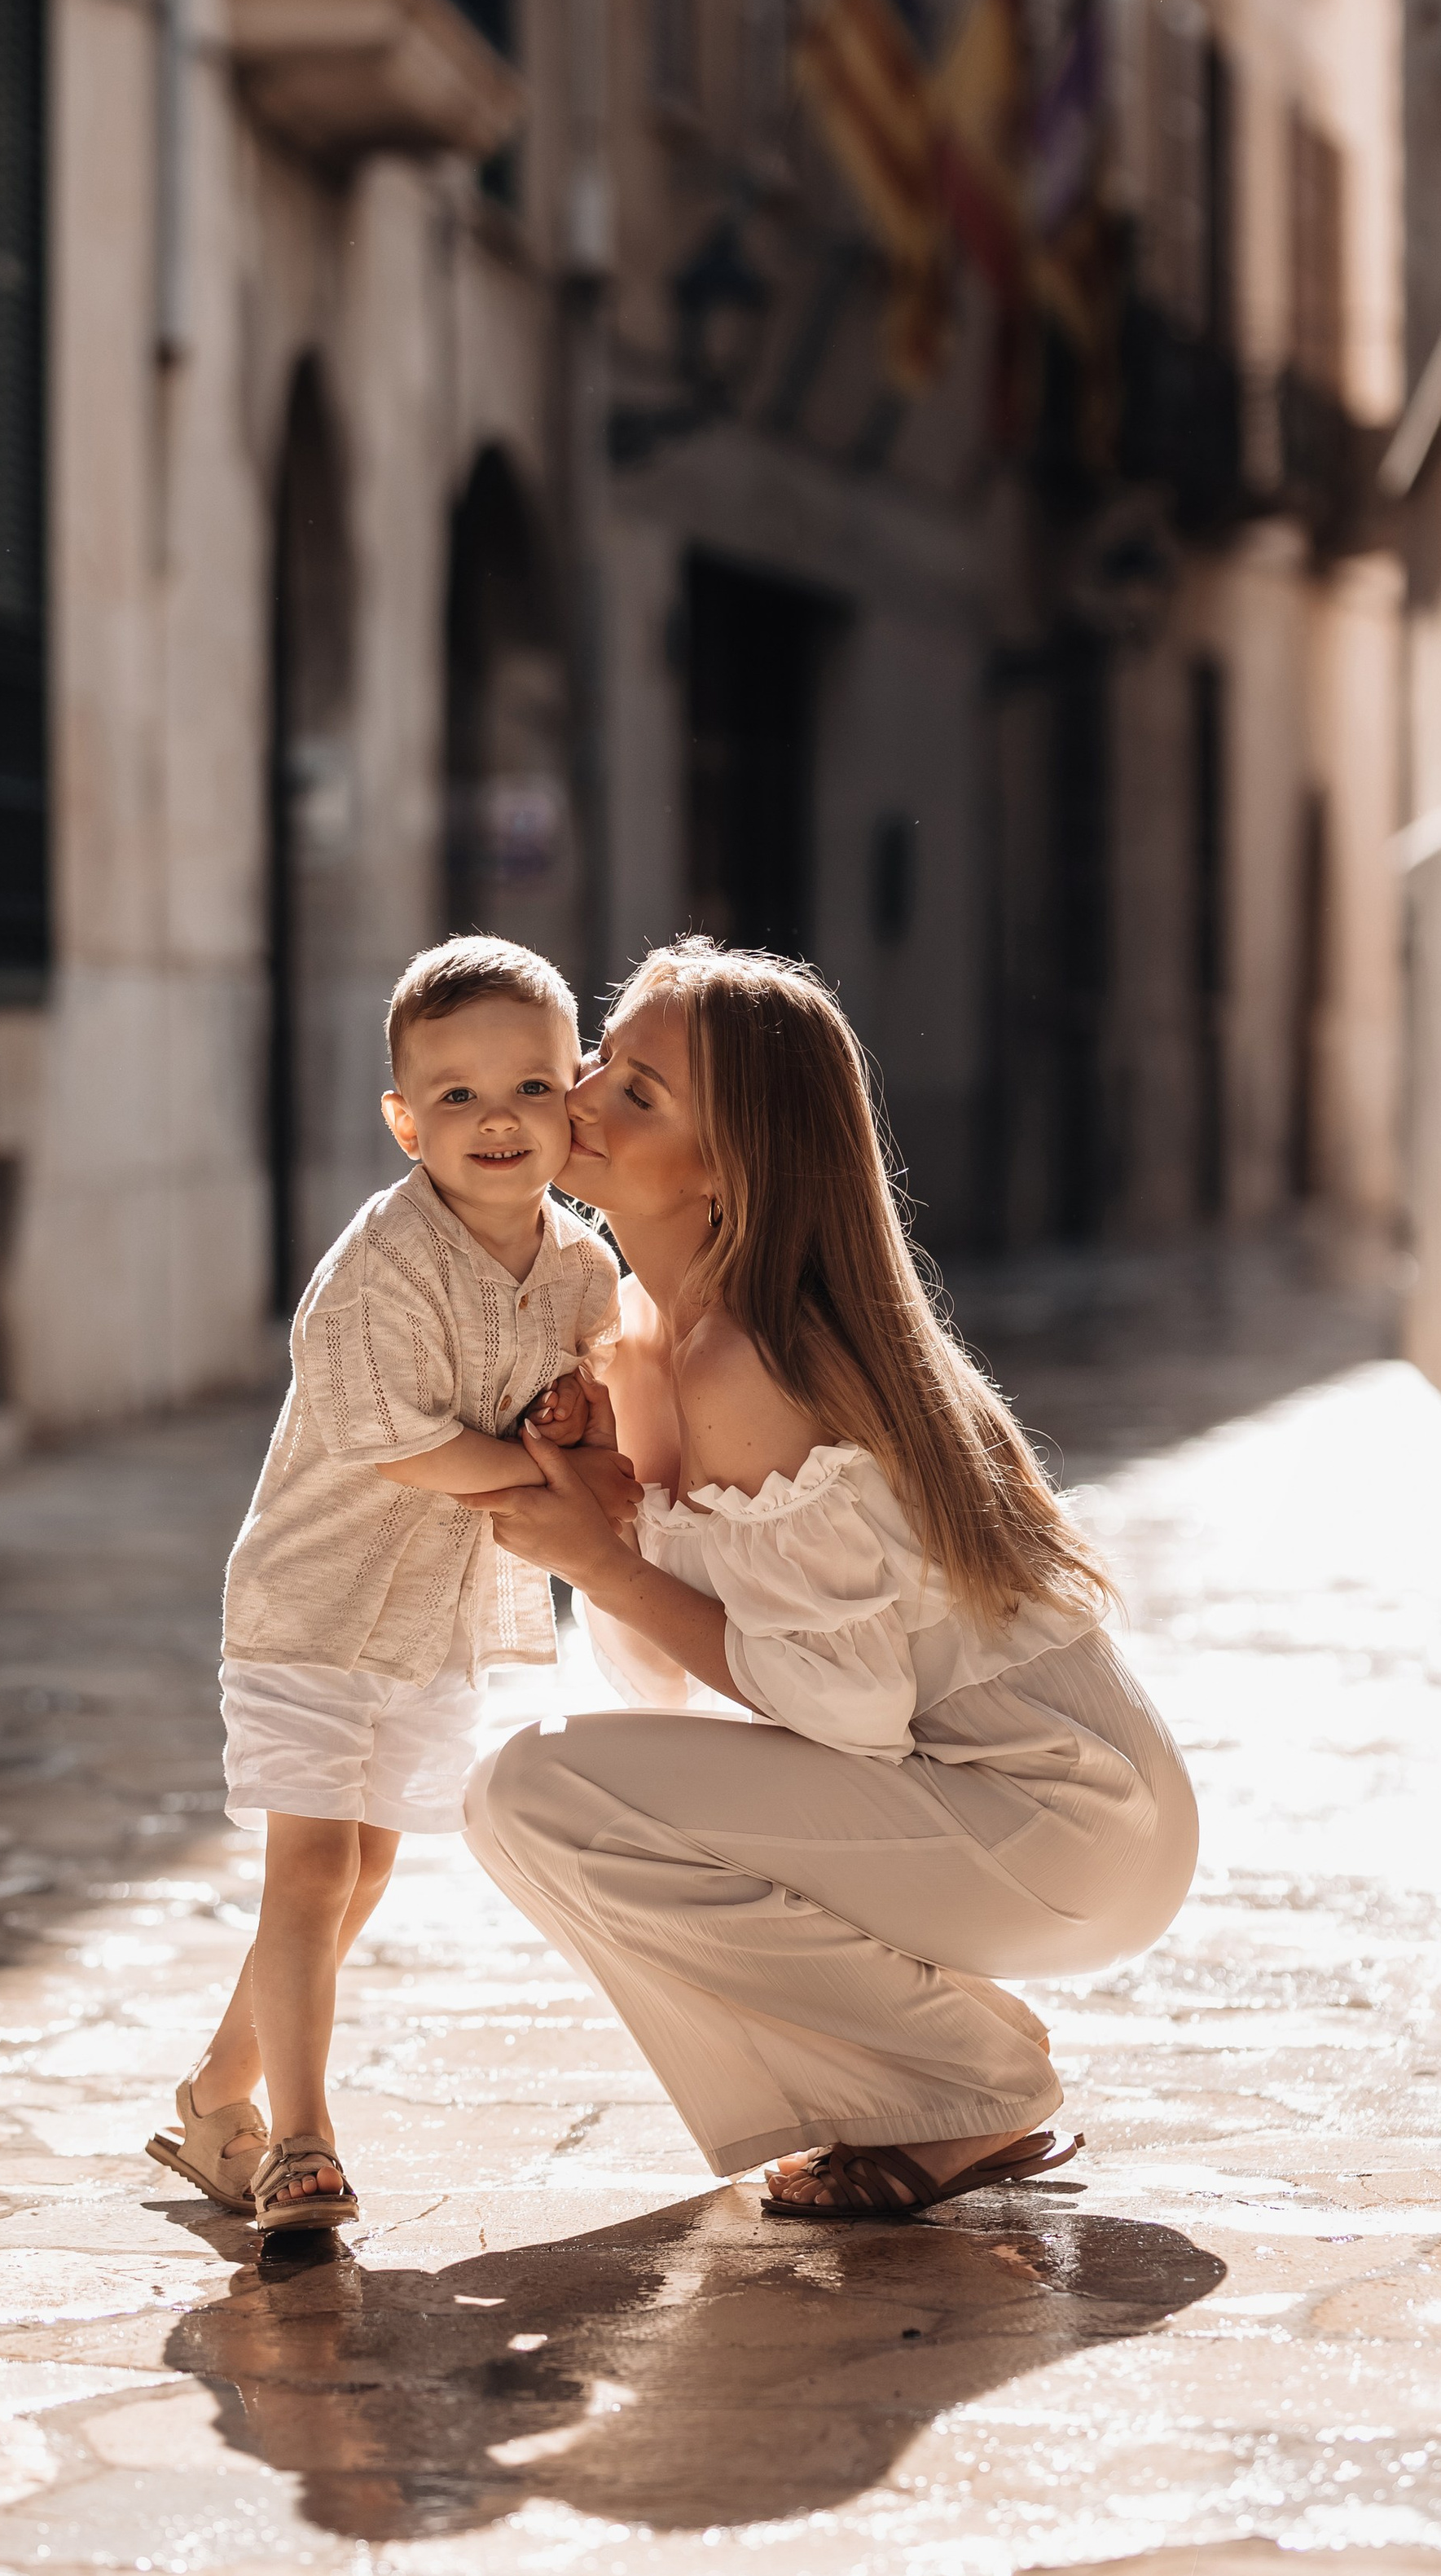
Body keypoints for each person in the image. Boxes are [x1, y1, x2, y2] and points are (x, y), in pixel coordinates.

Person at [455, 939, 1198, 2218]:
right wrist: (609, 1522)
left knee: (537, 1790)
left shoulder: (760, 1361)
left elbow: (838, 1709)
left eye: (640, 1095)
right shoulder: (641, 1336)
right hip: (962, 1798)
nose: (577, 1101)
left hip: (1066, 1821)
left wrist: (597, 1560)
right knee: (539, 1798)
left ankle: (966, 2086)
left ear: (731, 1168)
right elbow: (665, 1694)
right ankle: (940, 2062)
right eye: (601, 1059)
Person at [147, 936, 636, 2235]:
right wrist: (549, 1492)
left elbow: (595, 1397)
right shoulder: (382, 1266)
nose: (497, 1122)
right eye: (458, 1097)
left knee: (361, 1872)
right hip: (310, 1606)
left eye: (531, 1088)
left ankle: (212, 2098)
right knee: (309, 1868)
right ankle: (297, 2141)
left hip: (428, 1624)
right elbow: (403, 1440)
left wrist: (590, 1418)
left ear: (573, 1095)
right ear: (404, 1119)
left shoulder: (585, 1269)